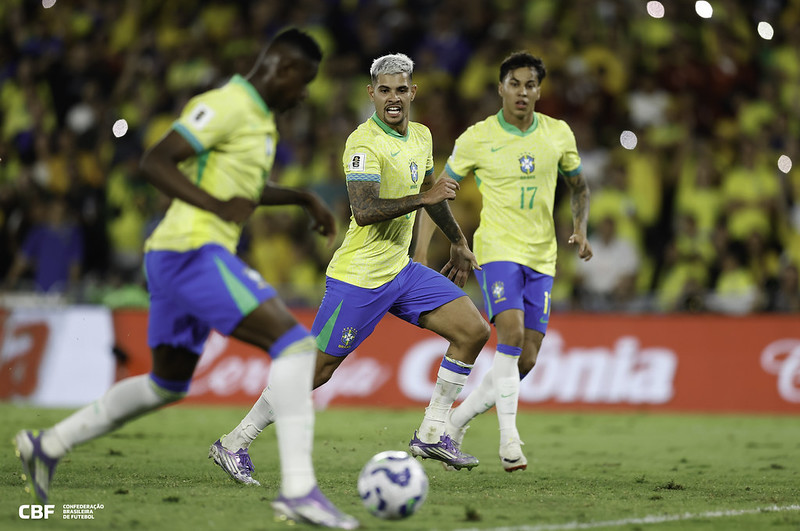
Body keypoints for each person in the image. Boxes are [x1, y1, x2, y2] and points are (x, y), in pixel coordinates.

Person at [14, 29, 359, 530]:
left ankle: (47, 445)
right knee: (296, 346)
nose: (304, 94)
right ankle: (300, 491)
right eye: (303, 82)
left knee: (166, 384)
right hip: (192, 249)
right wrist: (215, 207)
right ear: (282, 69)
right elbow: (156, 160)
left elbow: (243, 190)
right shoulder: (228, 103)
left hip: (177, 257)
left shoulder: (260, 121)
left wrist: (302, 198)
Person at [208, 52, 491, 485]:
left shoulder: (421, 136)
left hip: (400, 270)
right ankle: (234, 442)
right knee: (317, 371)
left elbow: (430, 192)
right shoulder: (363, 143)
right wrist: (424, 200)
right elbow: (364, 210)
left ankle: (433, 431)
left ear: (412, 92)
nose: (393, 99)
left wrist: (456, 239)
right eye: (384, 91)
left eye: (400, 90)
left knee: (473, 331)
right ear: (371, 94)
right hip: (359, 276)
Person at [414, 52, 593, 472]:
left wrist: (580, 227)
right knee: (510, 332)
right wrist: (421, 251)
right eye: (515, 84)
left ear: (539, 91)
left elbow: (580, 187)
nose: (523, 92)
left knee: (526, 357)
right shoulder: (478, 137)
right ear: (501, 87)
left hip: (542, 255)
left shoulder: (557, 134)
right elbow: (438, 194)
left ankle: (456, 422)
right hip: (496, 250)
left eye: (531, 85)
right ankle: (509, 440)